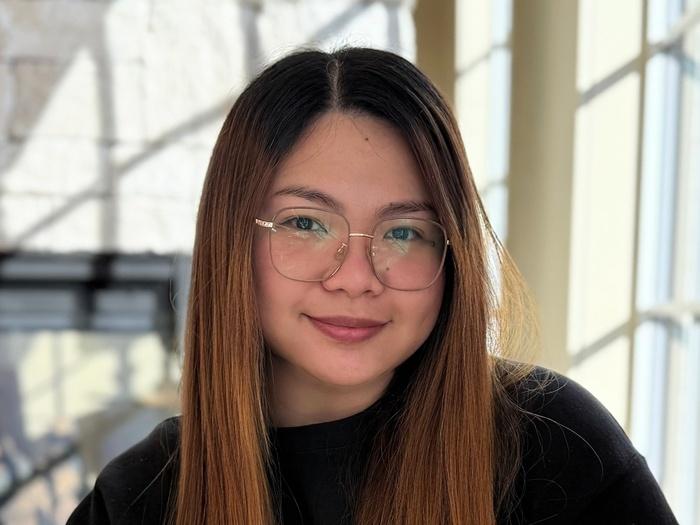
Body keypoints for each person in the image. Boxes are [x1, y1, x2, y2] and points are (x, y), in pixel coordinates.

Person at [67, 47, 678, 525]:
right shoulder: (139, 499)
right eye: (306, 224)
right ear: (233, 243)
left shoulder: (554, 444)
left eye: (404, 232)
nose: (356, 278)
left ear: (453, 254)